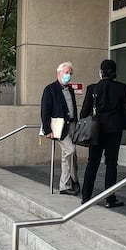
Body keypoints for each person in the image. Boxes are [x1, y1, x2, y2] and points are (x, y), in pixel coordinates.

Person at [79, 59, 126, 208]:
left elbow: (84, 112)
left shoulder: (92, 89)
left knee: (93, 163)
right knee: (111, 164)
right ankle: (110, 199)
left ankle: (86, 197)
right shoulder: (121, 88)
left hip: (95, 131)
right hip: (114, 131)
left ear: (101, 72)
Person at [40, 61, 81, 196]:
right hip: (60, 127)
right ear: (59, 73)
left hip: (72, 125)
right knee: (70, 150)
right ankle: (70, 181)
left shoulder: (70, 90)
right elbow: (45, 110)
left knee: (70, 155)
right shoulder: (50, 89)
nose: (68, 75)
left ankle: (68, 184)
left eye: (70, 73)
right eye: (66, 73)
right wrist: (47, 130)